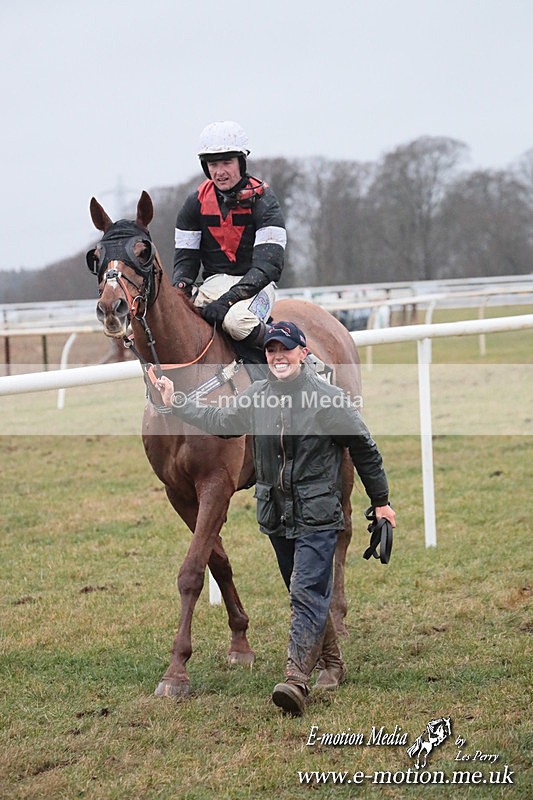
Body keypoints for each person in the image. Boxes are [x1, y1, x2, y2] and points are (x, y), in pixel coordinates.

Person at [156, 321, 396, 716]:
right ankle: (333, 663)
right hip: (278, 515)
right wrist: (175, 400)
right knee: (302, 589)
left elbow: (365, 450)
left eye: (285, 349)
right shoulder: (259, 395)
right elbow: (221, 423)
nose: (277, 356)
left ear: (303, 353)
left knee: (305, 591)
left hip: (318, 513)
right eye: (270, 351)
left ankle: (296, 679)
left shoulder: (329, 400)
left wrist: (382, 502)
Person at [173, 120, 287, 351]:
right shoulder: (193, 203)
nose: (220, 172)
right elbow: (186, 261)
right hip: (213, 284)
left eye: (227, 162)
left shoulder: (265, 201)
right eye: (213, 164)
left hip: (257, 286)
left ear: (241, 162)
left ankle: (288, 353)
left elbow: (269, 267)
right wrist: (180, 289)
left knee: (237, 323)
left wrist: (228, 301)